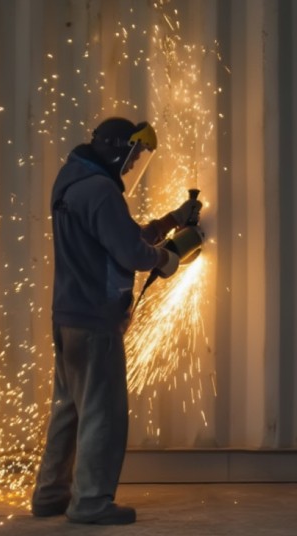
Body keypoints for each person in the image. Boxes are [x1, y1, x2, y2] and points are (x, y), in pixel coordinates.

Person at [31, 117, 202, 525]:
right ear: (117, 149)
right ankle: (91, 501)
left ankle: (51, 494)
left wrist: (170, 221)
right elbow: (132, 254)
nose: (131, 166)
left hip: (69, 316)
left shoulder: (72, 182)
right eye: (132, 157)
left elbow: (117, 237)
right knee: (102, 412)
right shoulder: (102, 191)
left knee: (69, 408)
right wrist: (167, 258)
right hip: (95, 320)